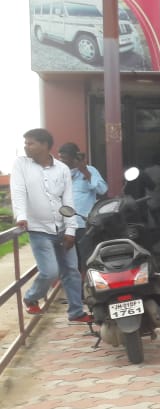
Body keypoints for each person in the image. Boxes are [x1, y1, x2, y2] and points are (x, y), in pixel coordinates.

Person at [11, 128, 91, 323]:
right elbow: (18, 191)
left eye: (31, 143)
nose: (26, 146)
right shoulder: (21, 164)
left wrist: (71, 230)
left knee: (71, 271)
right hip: (39, 229)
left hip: (62, 228)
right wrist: (21, 216)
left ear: (45, 145)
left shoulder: (62, 169)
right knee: (50, 271)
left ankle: (76, 312)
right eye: (26, 143)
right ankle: (31, 298)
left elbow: (68, 200)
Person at [57, 142, 108, 272]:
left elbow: (102, 190)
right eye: (60, 157)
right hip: (65, 226)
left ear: (74, 157)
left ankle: (88, 288)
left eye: (65, 158)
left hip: (83, 226)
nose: (62, 161)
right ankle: (76, 291)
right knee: (69, 263)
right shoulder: (59, 173)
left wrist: (84, 171)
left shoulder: (90, 170)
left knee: (87, 260)